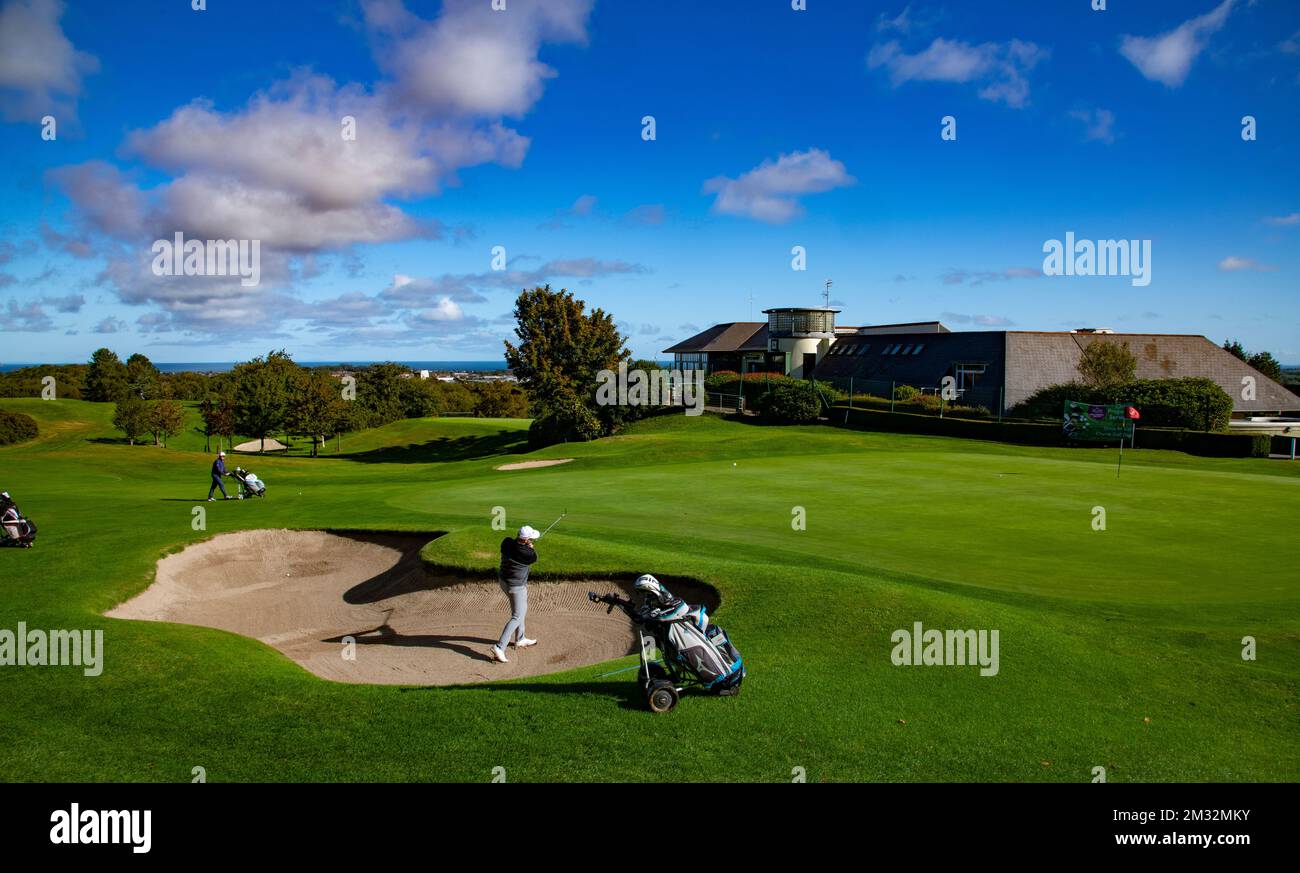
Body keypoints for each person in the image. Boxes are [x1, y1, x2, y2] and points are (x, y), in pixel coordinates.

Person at [490, 525, 540, 663]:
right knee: (517, 616)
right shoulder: (528, 554)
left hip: (504, 581)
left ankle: (520, 638)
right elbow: (534, 556)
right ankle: (499, 647)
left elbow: (515, 545)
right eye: (530, 539)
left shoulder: (506, 542)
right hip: (516, 586)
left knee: (521, 610)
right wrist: (530, 547)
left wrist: (525, 544)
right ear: (526, 540)